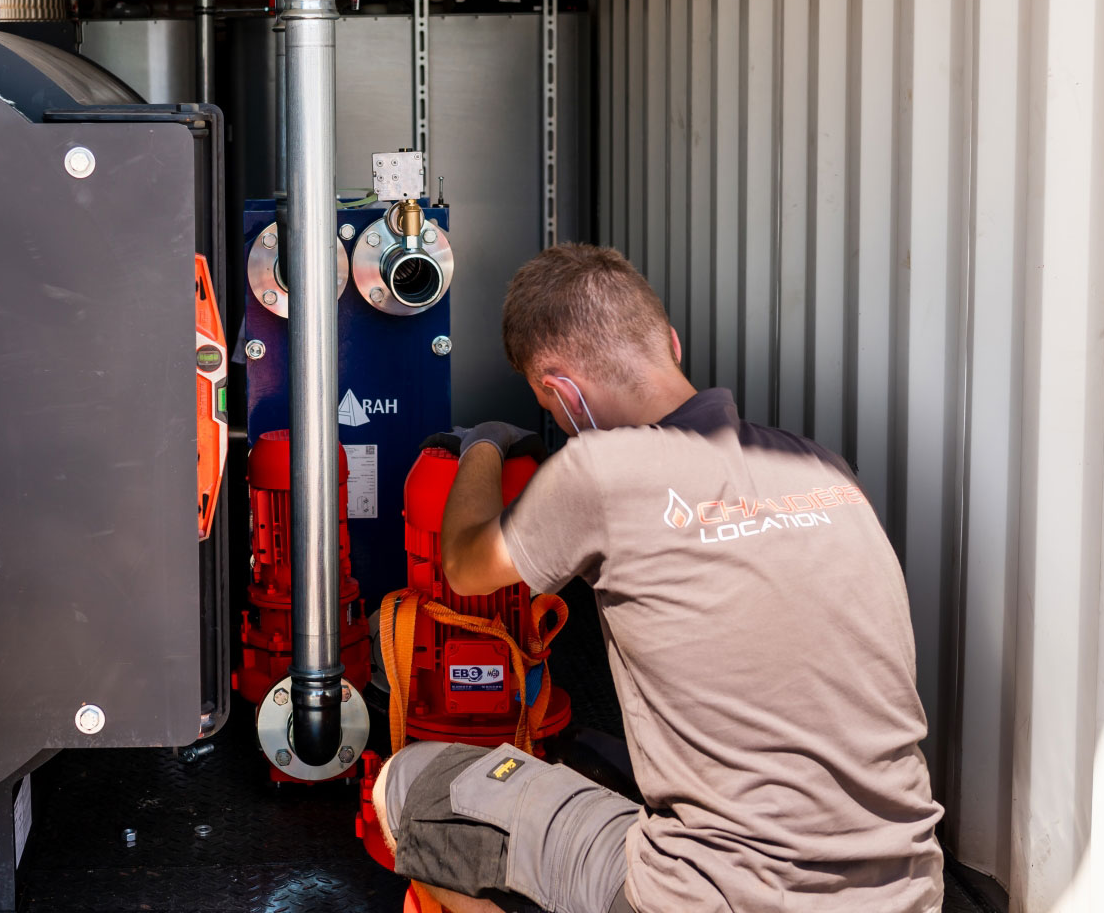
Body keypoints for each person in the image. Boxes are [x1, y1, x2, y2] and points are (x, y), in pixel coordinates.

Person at [371, 244, 944, 913]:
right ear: (668, 342)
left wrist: (484, 447)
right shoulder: (825, 471)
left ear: (561, 391)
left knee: (414, 787)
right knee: (602, 759)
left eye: (549, 406)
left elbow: (466, 566)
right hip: (905, 888)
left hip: (720, 897)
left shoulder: (601, 474)